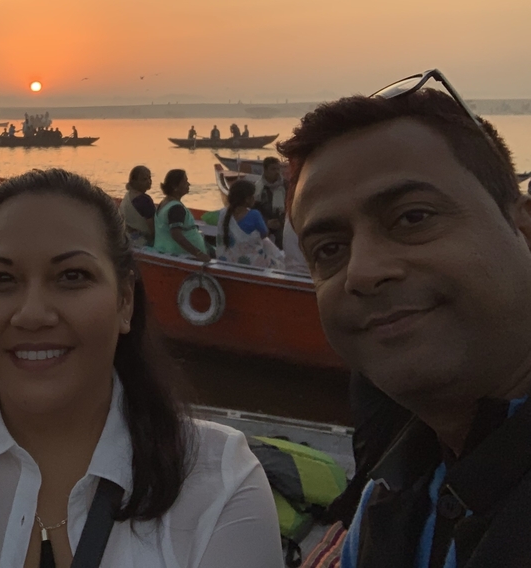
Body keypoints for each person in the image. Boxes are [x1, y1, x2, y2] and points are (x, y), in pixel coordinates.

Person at [0, 169, 282, 567]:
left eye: (71, 277)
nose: (32, 314)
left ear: (124, 300)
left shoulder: (218, 480)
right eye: (2, 279)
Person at [278, 71, 531, 567]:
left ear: (522, 227)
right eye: (330, 249)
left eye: (413, 217)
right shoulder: (393, 498)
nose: (364, 273)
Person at [215, 179, 283, 269]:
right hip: (251, 263)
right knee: (279, 262)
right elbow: (264, 234)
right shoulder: (254, 214)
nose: (255, 199)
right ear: (247, 199)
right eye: (253, 196)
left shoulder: (223, 213)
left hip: (225, 260)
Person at [154, 170, 212, 262]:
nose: (188, 184)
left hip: (165, 251)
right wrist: (198, 253)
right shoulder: (176, 208)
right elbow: (176, 234)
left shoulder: (164, 203)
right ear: (175, 186)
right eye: (185, 182)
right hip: (180, 256)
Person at [253, 157, 288, 249]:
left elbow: (291, 207)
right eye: (273, 169)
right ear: (265, 170)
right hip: (264, 222)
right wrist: (266, 222)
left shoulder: (286, 186)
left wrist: (281, 222)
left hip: (283, 223)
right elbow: (253, 209)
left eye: (278, 169)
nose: (277, 172)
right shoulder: (257, 188)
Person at [120, 165, 156, 246]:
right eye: (144, 179)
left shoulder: (128, 196)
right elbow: (152, 228)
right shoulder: (144, 200)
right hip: (143, 241)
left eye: (149, 178)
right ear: (134, 181)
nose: (149, 181)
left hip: (128, 238)